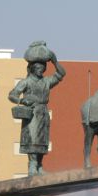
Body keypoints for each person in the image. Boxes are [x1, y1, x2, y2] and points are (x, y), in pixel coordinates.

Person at [8, 42, 66, 176]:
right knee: (32, 138)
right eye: (38, 68)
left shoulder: (46, 81)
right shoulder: (26, 82)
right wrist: (21, 100)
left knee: (42, 139)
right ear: (33, 68)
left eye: (43, 68)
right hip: (32, 113)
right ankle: (32, 166)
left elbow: (62, 73)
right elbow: (12, 94)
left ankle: (39, 166)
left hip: (43, 112)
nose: (41, 70)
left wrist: (54, 60)